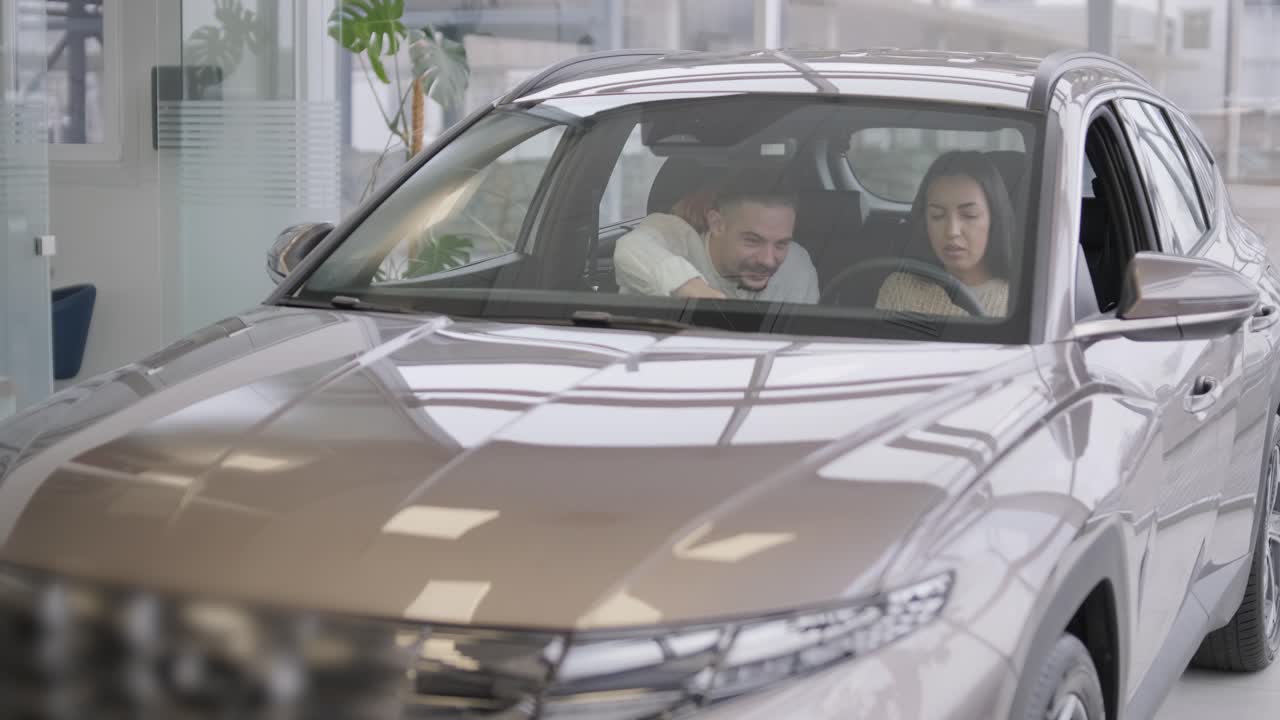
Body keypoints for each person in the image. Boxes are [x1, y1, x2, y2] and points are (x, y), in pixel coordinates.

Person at [613, 178, 819, 303]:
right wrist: (694, 290)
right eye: (752, 241)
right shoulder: (677, 237)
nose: (768, 260)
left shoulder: (796, 263)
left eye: (781, 244)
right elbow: (630, 248)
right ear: (717, 224)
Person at [875, 151, 1015, 317]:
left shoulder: (1018, 300)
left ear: (994, 219)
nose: (952, 231)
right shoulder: (899, 289)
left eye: (969, 215)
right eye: (937, 216)